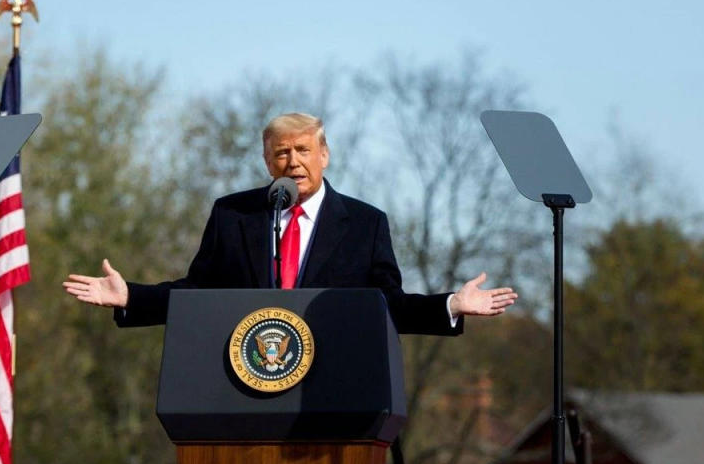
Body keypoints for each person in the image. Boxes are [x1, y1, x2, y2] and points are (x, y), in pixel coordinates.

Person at [63, 113, 517, 331]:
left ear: (324, 155)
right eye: (281, 152)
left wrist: (452, 305)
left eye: (303, 150)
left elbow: (388, 305)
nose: (293, 161)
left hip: (332, 389)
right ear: (266, 160)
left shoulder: (364, 224)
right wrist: (132, 297)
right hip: (243, 385)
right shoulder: (233, 215)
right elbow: (197, 293)